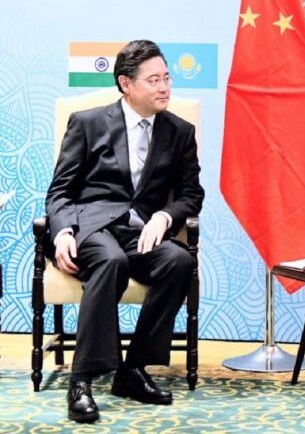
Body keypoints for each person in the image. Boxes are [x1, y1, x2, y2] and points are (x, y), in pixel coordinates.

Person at [46, 40, 205, 423]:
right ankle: (81, 381)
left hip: (141, 231)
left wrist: (165, 217)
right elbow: (60, 191)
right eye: (153, 80)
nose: (165, 87)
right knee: (112, 261)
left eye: (167, 78)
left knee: (178, 261)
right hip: (90, 226)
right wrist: (63, 232)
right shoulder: (88, 123)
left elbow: (191, 194)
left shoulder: (179, 131)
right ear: (126, 84)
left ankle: (133, 371)